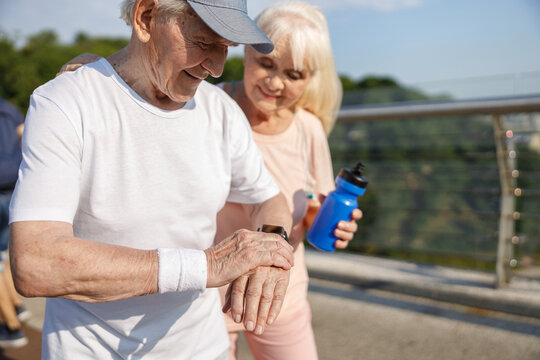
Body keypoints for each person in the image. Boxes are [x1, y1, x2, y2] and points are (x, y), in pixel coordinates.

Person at [8, 1, 297, 358]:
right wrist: (206, 267)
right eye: (205, 42)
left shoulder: (222, 112)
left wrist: (272, 250)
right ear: (146, 17)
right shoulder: (65, 102)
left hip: (203, 348)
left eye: (225, 48)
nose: (218, 68)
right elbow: (37, 262)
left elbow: (269, 199)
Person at [214, 2, 363, 359]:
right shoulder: (211, 105)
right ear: (246, 51)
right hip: (207, 297)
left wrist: (332, 225)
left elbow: (314, 210)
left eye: (293, 74)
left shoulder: (308, 129)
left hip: (283, 297)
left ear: (311, 78)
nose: (275, 82)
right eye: (266, 63)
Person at [0, 97, 29, 348]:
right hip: (12, 189)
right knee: (2, 256)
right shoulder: (10, 108)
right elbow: (25, 137)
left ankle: (11, 328)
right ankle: (18, 307)